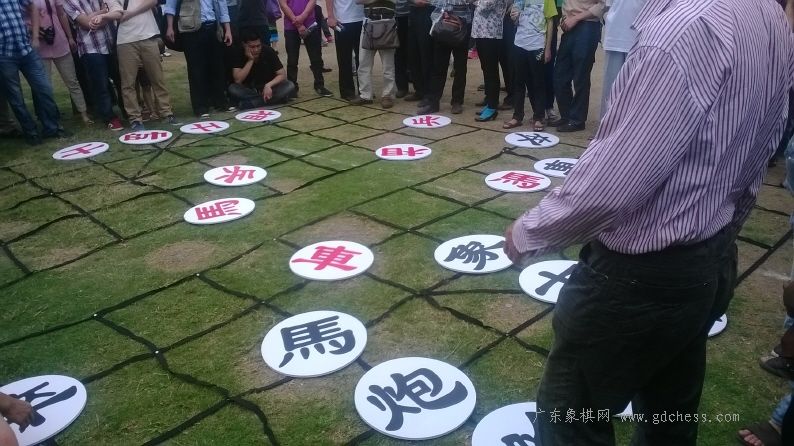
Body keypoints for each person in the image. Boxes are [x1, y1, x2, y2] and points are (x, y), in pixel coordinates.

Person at [502, 0, 793, 445]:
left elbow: (616, 178)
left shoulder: (687, 27)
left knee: (570, 417)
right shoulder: (766, 13)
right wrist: (721, 234)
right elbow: (764, 143)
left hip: (642, 278)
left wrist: (531, 231)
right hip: (707, 255)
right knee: (669, 413)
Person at [102, 0, 179, 131]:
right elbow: (117, 13)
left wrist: (131, 13)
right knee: (128, 83)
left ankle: (166, 112)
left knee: (157, 78)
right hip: (125, 40)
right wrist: (104, 16)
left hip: (148, 35)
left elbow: (152, 2)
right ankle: (135, 119)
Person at [0, 0, 69, 145]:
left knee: (44, 88)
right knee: (16, 98)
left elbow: (32, 7)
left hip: (26, 50)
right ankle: (31, 132)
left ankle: (52, 128)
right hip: (4, 56)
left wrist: (35, 36)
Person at [164, 0, 234, 118]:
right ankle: (200, 106)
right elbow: (171, 5)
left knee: (217, 67)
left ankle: (220, 102)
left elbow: (222, 5)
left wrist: (228, 29)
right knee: (196, 69)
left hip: (213, 26)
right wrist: (170, 27)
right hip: (190, 29)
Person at [62, 0, 125, 130]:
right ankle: (109, 117)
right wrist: (104, 12)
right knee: (101, 85)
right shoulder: (68, 1)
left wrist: (98, 16)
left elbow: (114, 12)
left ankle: (127, 111)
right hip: (90, 48)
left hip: (111, 43)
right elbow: (87, 24)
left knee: (121, 80)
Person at [547, 0, 603, 132]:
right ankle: (567, 116)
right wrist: (565, 18)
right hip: (569, 26)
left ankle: (577, 120)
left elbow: (603, 5)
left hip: (587, 26)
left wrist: (576, 18)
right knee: (559, 75)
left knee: (580, 76)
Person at [32, 0, 91, 124]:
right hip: (40, 46)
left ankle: (84, 114)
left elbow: (61, 14)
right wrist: (35, 32)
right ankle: (52, 118)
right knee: (45, 86)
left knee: (72, 81)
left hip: (59, 41)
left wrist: (70, 37)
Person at [503, 0, 555, 131]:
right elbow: (515, 19)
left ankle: (539, 117)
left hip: (537, 45)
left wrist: (548, 48)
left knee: (538, 83)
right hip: (519, 44)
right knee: (518, 82)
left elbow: (550, 22)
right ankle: (517, 116)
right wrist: (514, 17)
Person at [416, 0, 475, 115]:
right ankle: (433, 102)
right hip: (443, 24)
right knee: (438, 67)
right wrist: (445, 9)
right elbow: (434, 2)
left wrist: (449, 7)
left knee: (460, 67)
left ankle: (457, 101)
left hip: (461, 25)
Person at [599, 0, 647, 118]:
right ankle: (607, 126)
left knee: (634, 90)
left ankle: (630, 126)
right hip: (615, 39)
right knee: (611, 89)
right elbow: (608, 6)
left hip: (640, 40)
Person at [278, 0, 333, 97]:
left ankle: (319, 85)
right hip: (291, 26)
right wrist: (298, 24)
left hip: (310, 23)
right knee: (292, 60)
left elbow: (312, 1)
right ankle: (292, 87)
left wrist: (303, 16)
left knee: (316, 58)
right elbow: (283, 4)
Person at [229, 29, 295, 108]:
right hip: (250, 90)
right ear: (244, 45)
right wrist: (250, 60)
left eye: (258, 46)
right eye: (252, 47)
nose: (256, 50)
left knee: (289, 85)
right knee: (233, 88)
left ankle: (253, 103)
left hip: (269, 87)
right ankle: (273, 100)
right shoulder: (239, 53)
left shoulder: (268, 51)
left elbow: (282, 74)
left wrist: (268, 85)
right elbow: (238, 80)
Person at [349, 0, 396, 108]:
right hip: (368, 22)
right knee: (363, 62)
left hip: (388, 22)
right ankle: (365, 95)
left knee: (388, 64)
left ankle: (387, 95)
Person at [471, 0, 510, 121]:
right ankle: (489, 102)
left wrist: (475, 2)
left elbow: (486, 4)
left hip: (491, 34)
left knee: (491, 70)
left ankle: (492, 107)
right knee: (486, 69)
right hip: (480, 32)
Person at [327, 0, 364, 100]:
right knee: (344, 58)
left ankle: (364, 89)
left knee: (363, 58)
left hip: (362, 18)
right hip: (343, 20)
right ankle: (347, 91)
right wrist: (330, 16)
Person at [404, 0, 433, 103]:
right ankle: (419, 90)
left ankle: (429, 93)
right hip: (413, 11)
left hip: (429, 10)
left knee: (426, 54)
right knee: (413, 54)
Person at [393, 0, 410, 97]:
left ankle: (419, 87)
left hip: (411, 14)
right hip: (394, 16)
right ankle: (402, 87)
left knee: (414, 52)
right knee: (398, 53)